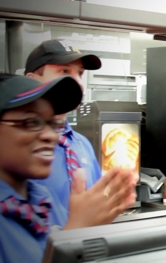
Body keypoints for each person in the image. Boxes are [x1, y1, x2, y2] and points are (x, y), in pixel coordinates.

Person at [0, 74, 137, 263]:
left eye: (54, 124)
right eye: (31, 122)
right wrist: (76, 233)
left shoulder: (43, 201)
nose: (50, 136)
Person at [24, 39, 104, 213]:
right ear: (32, 80)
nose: (78, 83)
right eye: (64, 71)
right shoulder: (17, 147)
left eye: (80, 73)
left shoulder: (81, 145)